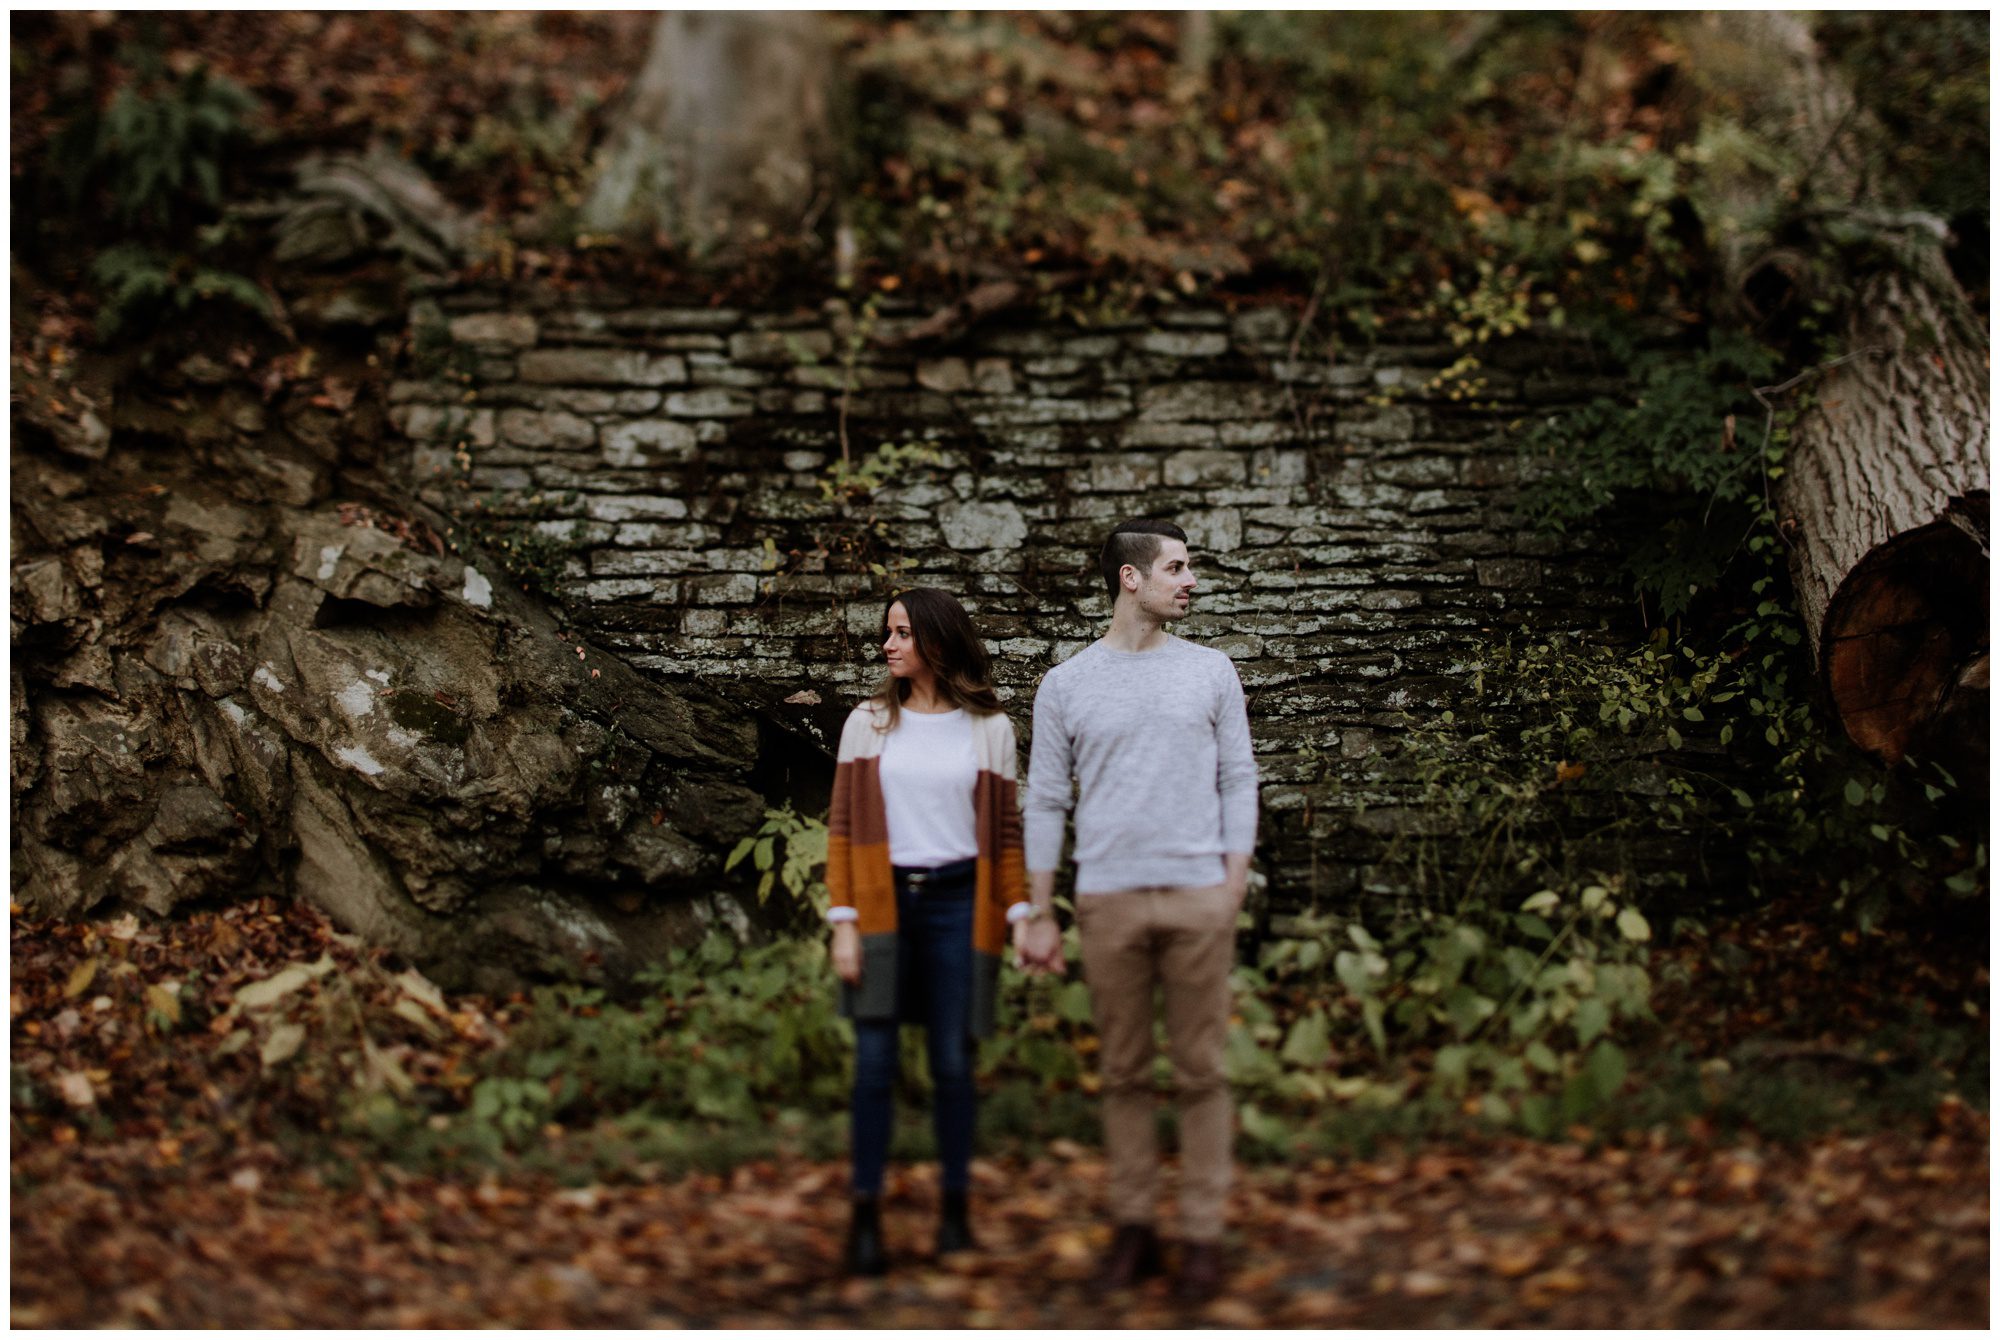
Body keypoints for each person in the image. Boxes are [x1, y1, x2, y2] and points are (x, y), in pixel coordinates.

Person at [1012, 517, 1259, 1303]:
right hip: (1109, 901)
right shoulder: (1066, 684)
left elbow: (1238, 780)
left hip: (1197, 898)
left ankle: (1203, 1237)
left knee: (1202, 1073)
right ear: (1131, 578)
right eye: (1178, 568)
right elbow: (1046, 800)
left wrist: (1231, 882)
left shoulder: (1212, 672)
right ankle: (1133, 1230)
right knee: (1122, 1074)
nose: (1192, 581)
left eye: (1190, 568)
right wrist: (1041, 910)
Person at [825, 588, 1026, 1276]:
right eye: (889, 632)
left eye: (903, 633)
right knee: (875, 1068)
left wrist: (1021, 913)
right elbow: (844, 829)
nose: (889, 645)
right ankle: (865, 1220)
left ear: (937, 642)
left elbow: (1005, 836)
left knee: (951, 1065)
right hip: (884, 908)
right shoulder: (869, 723)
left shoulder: (990, 730)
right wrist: (843, 922)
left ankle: (955, 1215)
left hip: (957, 909)